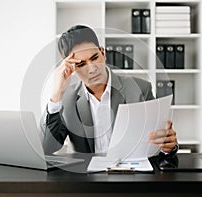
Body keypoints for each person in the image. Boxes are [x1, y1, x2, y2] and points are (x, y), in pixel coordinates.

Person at [43, 25, 178, 156]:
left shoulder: (141, 89)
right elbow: (46, 147)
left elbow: (157, 143)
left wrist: (167, 147)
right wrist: (56, 94)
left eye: (94, 58)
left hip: (129, 173)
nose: (92, 69)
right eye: (81, 64)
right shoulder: (66, 99)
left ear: (103, 53)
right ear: (71, 68)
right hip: (85, 176)